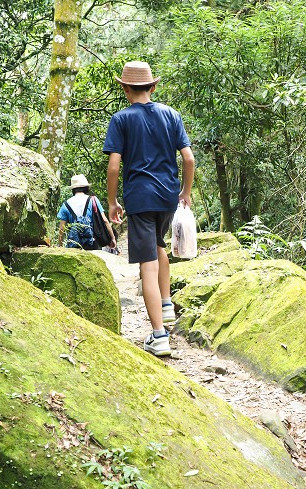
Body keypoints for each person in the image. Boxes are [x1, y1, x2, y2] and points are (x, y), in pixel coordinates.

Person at [103, 61, 195, 357]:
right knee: (158, 246)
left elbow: (114, 166)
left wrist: (112, 201)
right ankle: (166, 306)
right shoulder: (171, 114)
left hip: (140, 197)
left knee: (147, 264)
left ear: (125, 88)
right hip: (169, 196)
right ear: (153, 87)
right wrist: (185, 192)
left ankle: (159, 336)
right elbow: (189, 159)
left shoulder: (121, 119)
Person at [57, 174, 116, 250]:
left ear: (73, 189)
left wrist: (60, 246)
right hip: (92, 242)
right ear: (86, 187)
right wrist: (112, 238)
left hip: (74, 243)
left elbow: (62, 228)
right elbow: (105, 221)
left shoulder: (66, 204)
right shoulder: (93, 200)